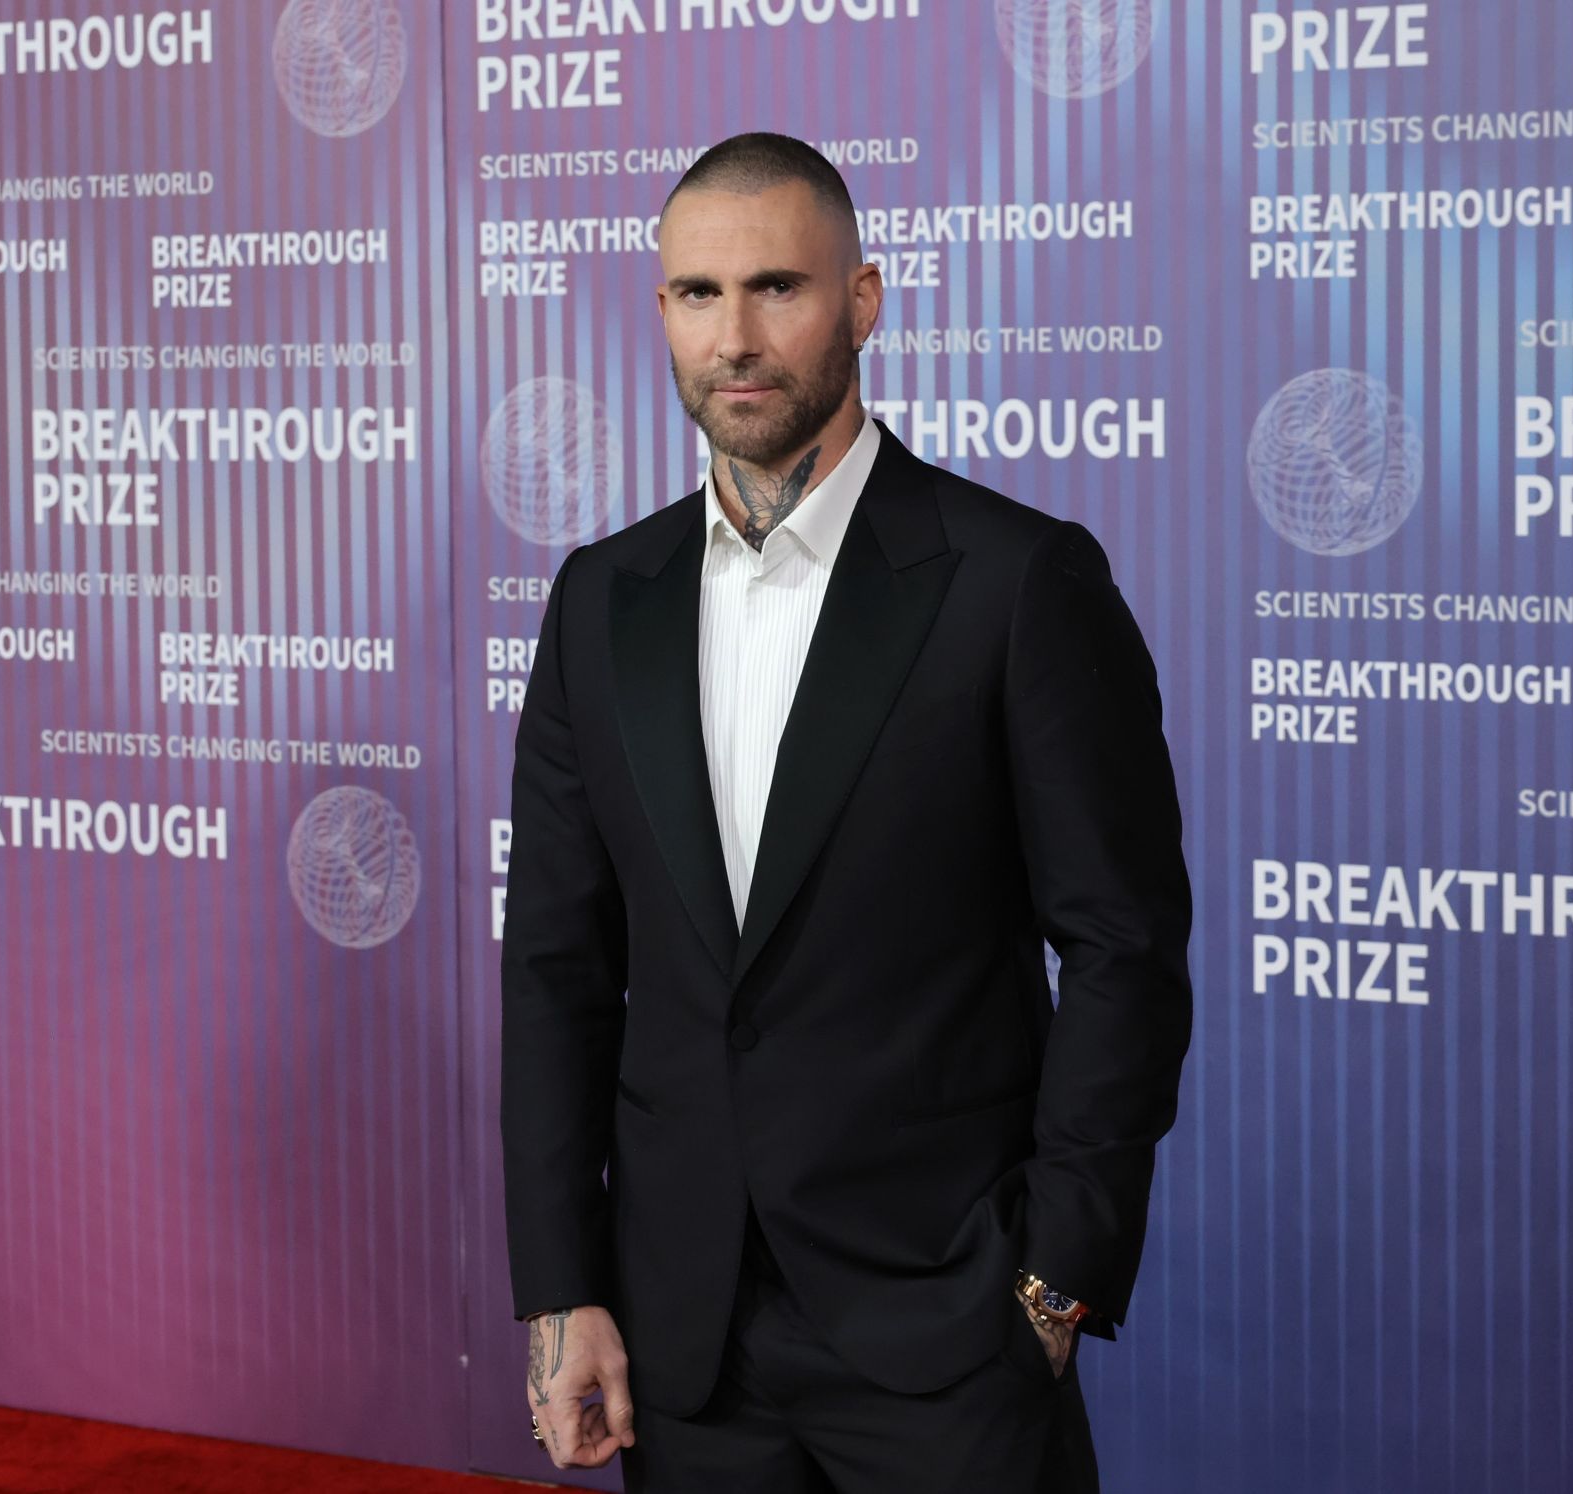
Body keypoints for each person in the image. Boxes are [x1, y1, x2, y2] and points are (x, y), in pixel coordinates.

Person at [500, 130, 1191, 1494]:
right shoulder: (601, 601)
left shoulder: (1014, 582)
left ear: (863, 300)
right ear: (661, 313)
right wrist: (562, 1289)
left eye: (779, 287)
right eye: (699, 294)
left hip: (948, 1329)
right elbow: (559, 967)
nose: (737, 335)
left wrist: (1052, 1282)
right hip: (685, 1340)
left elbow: (1125, 945)